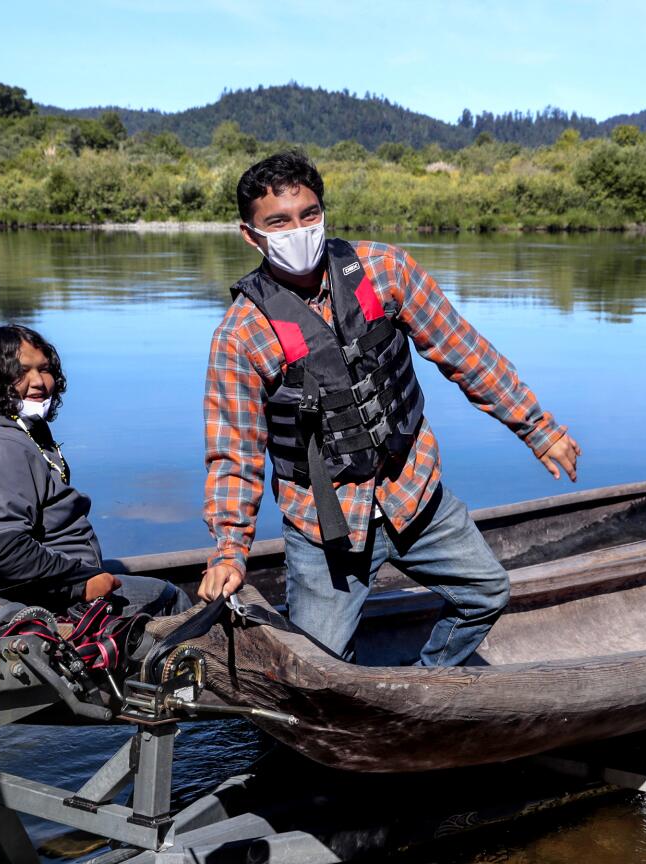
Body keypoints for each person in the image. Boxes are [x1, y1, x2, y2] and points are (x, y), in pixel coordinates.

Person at [198, 152, 581, 666]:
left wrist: (538, 428)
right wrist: (229, 550)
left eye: (309, 215)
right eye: (279, 222)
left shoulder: (384, 270)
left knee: (486, 593)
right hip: (325, 525)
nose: (299, 230)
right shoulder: (241, 334)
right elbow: (233, 453)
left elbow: (465, 352)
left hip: (413, 490)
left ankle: (426, 685)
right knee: (317, 667)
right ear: (252, 234)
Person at [0, 324, 189, 618]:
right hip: (32, 600)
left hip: (42, 584)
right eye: (21, 371)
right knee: (172, 599)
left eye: (44, 369)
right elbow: (0, 548)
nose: (38, 381)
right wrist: (77, 584)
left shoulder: (13, 430)